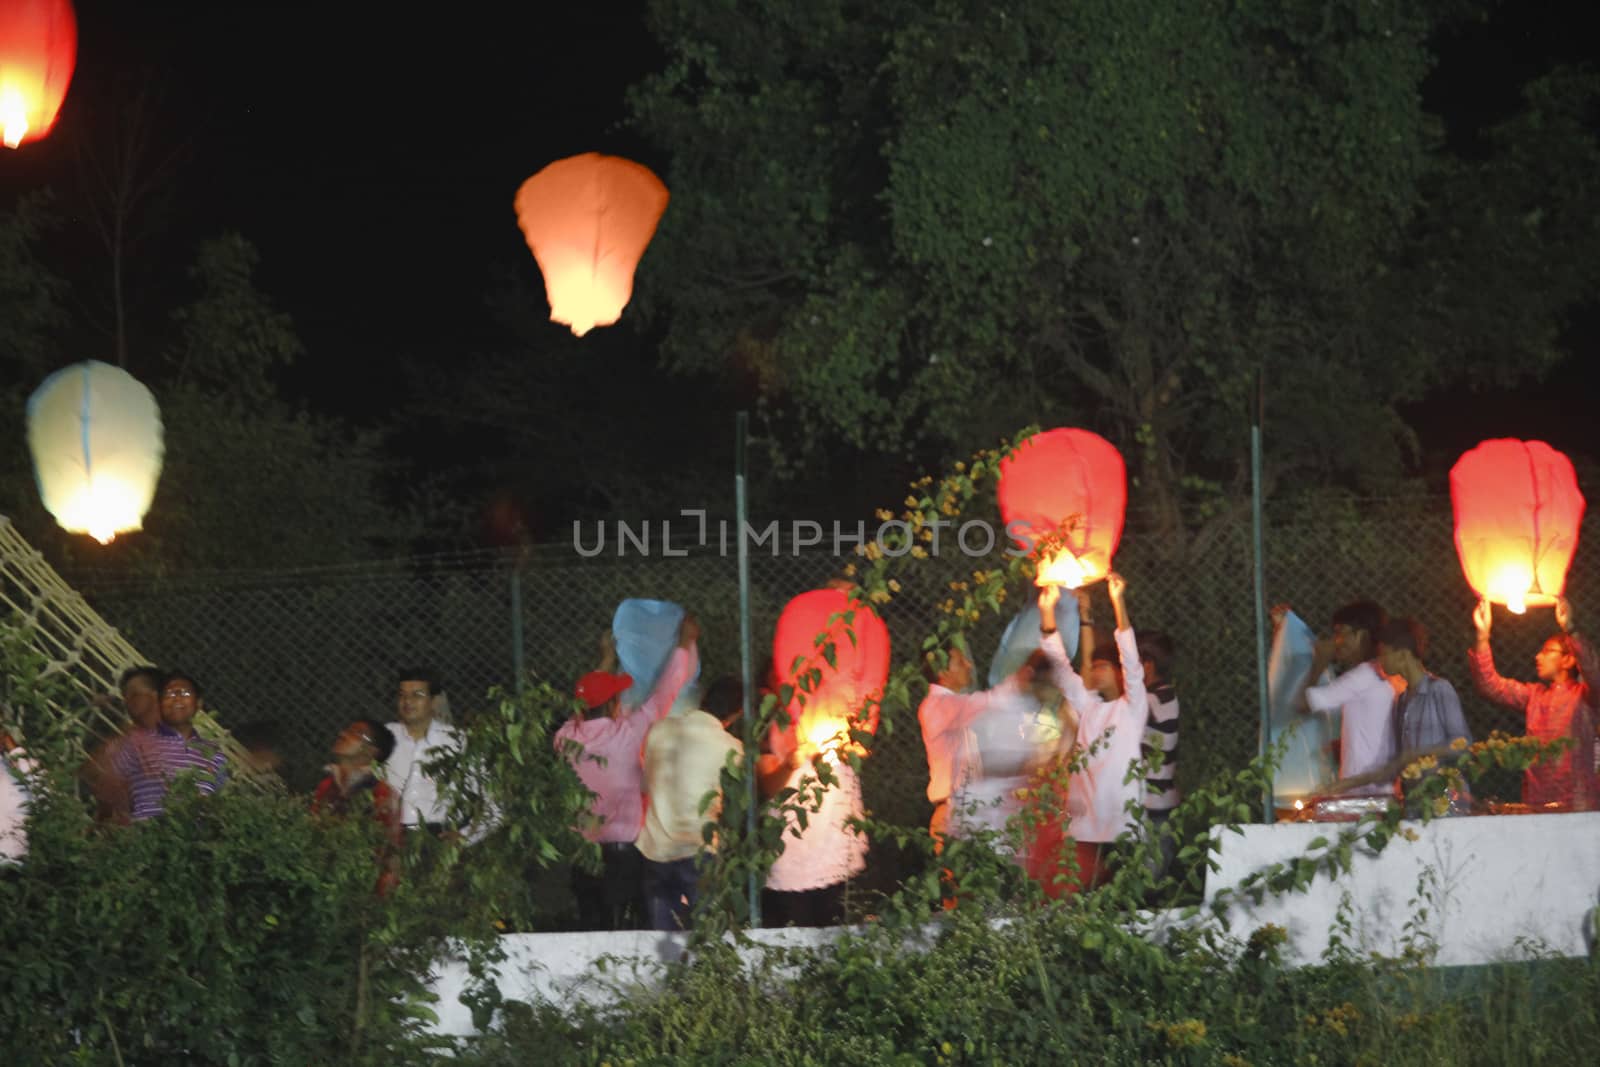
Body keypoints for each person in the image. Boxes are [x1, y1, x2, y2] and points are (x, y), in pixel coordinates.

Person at [556, 613, 700, 931]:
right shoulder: (630, 732)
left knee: (591, 930)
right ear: (612, 706)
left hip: (583, 856)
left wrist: (606, 658)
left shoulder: (565, 737)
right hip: (627, 857)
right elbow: (667, 690)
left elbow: (583, 704)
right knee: (630, 933)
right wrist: (684, 643)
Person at [1035, 574, 1147, 893]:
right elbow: (1059, 667)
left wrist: (1118, 601)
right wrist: (1047, 612)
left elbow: (1132, 659)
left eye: (1102, 667)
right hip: (1084, 828)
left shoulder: (1133, 707)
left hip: (1121, 827)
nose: (1095, 672)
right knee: (1083, 903)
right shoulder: (1087, 707)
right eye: (1094, 666)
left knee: (1123, 904)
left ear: (1118, 674)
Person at [1332, 618, 1473, 815]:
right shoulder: (1403, 699)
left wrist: (1416, 754)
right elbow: (1397, 763)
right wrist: (1352, 782)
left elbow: (1463, 744)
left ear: (1403, 655)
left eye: (1384, 654)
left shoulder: (1440, 689)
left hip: (1448, 800)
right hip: (1417, 801)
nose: (1380, 661)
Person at [635, 675, 744, 931]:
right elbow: (735, 804)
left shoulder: (659, 729)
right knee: (705, 933)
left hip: (655, 847)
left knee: (661, 935)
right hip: (698, 848)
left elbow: (646, 782)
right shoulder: (732, 748)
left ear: (703, 698)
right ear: (736, 714)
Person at [1469, 596, 1597, 811]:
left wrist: (1571, 629)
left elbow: (1595, 672)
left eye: (1547, 651)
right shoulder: (1535, 696)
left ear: (1568, 659)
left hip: (1578, 802)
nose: (1538, 656)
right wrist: (1482, 636)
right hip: (1537, 800)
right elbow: (1490, 685)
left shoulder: (1585, 697)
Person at [917, 645, 1048, 849]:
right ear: (943, 673)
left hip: (968, 809)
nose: (968, 665)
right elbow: (984, 703)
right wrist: (1020, 680)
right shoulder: (937, 705)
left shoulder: (948, 705)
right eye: (960, 662)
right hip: (953, 813)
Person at [1276, 599, 1397, 797]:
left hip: (1363, 788)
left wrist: (1319, 663)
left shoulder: (1362, 675)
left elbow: (1302, 703)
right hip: (1377, 784)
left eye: (1341, 632)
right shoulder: (1378, 672)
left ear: (1361, 635)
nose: (1335, 641)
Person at [111, 670, 229, 821]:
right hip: (147, 836)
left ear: (198, 704)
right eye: (170, 695)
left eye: (185, 694)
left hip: (195, 838)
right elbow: (111, 789)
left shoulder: (214, 755)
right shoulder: (135, 744)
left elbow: (217, 805)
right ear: (159, 704)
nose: (177, 699)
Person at [313, 719, 403, 894]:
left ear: (371, 751)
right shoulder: (327, 785)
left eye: (355, 733)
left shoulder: (382, 794)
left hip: (361, 885)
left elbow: (389, 852)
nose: (342, 734)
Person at [382, 669, 463, 835]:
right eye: (402, 695)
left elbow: (485, 801)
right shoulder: (384, 736)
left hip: (440, 836)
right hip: (390, 836)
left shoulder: (456, 741)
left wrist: (463, 837)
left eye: (417, 695)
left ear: (434, 701)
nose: (407, 702)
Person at [84, 666, 163, 822]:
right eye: (126, 695)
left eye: (135, 695)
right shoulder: (130, 733)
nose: (128, 701)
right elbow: (91, 772)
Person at [1137, 631, 1181, 879]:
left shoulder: (1151, 701)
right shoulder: (1165, 696)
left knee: (1149, 879)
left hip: (1153, 803)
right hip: (1161, 800)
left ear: (1148, 664)